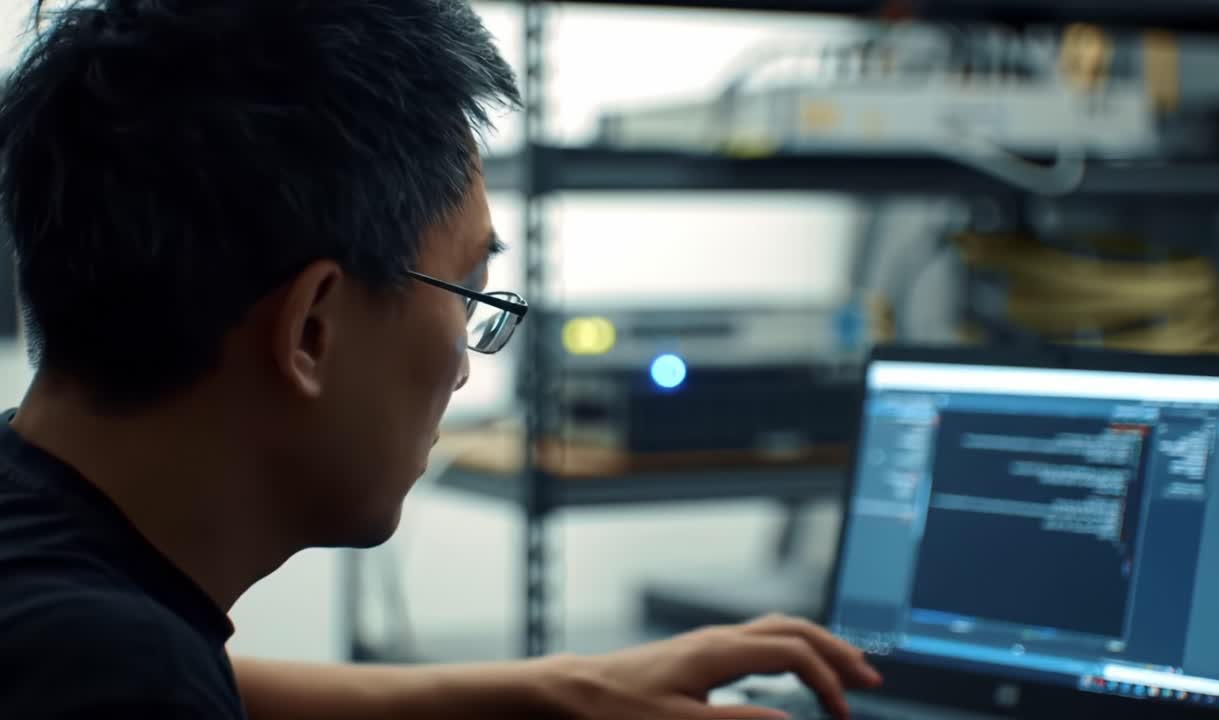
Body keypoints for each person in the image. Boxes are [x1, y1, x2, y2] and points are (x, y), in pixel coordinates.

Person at [0, 1, 882, 718]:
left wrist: (555, 691)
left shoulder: (42, 529)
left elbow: (213, 682)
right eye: (468, 293)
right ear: (313, 329)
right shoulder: (116, 678)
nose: (464, 366)